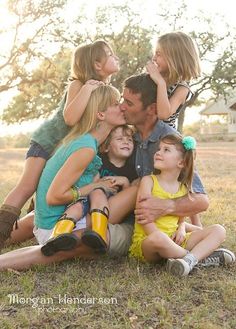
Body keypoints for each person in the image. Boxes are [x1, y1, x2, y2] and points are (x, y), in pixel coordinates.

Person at [0, 73, 232, 270]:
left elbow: (197, 197)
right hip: (102, 211)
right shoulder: (110, 137)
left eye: (128, 103)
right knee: (44, 224)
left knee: (76, 239)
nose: (122, 106)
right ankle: (196, 256)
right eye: (120, 101)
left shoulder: (167, 142)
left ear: (151, 109)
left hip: (132, 219)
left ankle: (195, 256)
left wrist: (173, 212)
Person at [0, 40, 120, 250]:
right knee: (27, 186)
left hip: (64, 148)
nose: (116, 57)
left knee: (49, 186)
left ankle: (38, 227)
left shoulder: (105, 91)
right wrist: (86, 90)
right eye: (110, 54)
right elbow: (71, 119)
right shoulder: (79, 84)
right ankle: (2, 231)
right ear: (97, 65)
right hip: (47, 142)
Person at [129, 134, 235, 276]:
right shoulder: (148, 181)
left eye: (166, 150)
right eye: (159, 149)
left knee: (219, 230)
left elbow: (180, 218)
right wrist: (167, 241)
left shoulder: (184, 189)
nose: (158, 152)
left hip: (176, 239)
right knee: (159, 238)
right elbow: (144, 218)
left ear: (181, 163)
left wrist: (182, 228)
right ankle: (196, 258)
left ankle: (188, 261)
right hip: (149, 243)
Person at [41, 124, 137, 256]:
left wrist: (125, 181)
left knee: (97, 192)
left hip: (106, 206)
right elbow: (90, 180)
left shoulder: (131, 171)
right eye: (120, 139)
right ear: (107, 146)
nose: (126, 142)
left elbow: (127, 199)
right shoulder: (100, 161)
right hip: (86, 199)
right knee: (76, 207)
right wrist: (98, 183)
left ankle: (98, 233)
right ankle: (57, 236)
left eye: (130, 140)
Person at [146, 31, 200, 129]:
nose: (154, 58)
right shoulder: (153, 79)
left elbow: (163, 114)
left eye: (158, 54)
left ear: (175, 58)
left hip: (164, 138)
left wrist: (160, 83)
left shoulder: (182, 88)